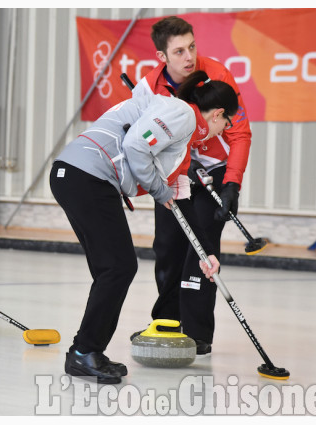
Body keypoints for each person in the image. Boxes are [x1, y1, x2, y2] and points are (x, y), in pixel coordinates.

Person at [50, 70, 238, 384]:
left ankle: (86, 351)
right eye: (226, 124)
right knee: (118, 267)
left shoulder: (180, 139)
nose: (223, 130)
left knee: (113, 269)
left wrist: (207, 254)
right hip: (87, 177)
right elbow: (137, 146)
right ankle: (85, 351)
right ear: (218, 114)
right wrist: (159, 190)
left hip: (77, 177)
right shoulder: (182, 114)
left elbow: (184, 204)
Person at [130, 16, 253, 355]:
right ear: (162, 57)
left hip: (214, 175)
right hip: (174, 177)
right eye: (179, 51)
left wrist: (232, 185)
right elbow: (138, 136)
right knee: (167, 248)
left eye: (192, 47)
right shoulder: (148, 87)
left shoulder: (218, 75)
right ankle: (167, 322)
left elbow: (239, 133)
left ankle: (198, 334)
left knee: (201, 252)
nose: (189, 57)